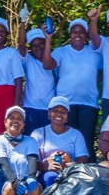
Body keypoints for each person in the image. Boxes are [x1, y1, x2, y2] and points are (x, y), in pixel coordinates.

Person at [43, 18, 102, 157]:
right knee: (67, 143)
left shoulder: (95, 53)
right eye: (74, 31)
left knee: (87, 143)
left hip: (89, 103)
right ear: (69, 34)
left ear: (86, 34)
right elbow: (47, 65)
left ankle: (89, 176)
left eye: (81, 32)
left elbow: (108, 68)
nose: (77, 34)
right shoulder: (61, 51)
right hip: (65, 105)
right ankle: (67, 174)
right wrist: (48, 39)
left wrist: (98, 79)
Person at [0, 106, 42, 195]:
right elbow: (3, 163)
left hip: (26, 178)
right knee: (10, 189)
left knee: (34, 189)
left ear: (24, 125)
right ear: (5, 122)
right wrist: (14, 182)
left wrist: (31, 177)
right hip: (8, 180)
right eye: (12, 118)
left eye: (19, 118)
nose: (15, 121)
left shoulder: (30, 140)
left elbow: (32, 159)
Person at [30, 96, 89, 187]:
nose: (59, 114)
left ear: (67, 116)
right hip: (46, 172)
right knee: (52, 177)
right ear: (49, 113)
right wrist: (48, 167)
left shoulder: (76, 134)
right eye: (55, 111)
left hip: (71, 172)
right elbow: (32, 160)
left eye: (63, 112)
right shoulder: (38, 133)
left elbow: (83, 160)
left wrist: (66, 166)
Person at [17, 12, 56, 134]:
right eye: (34, 46)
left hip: (48, 109)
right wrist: (23, 21)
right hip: (30, 109)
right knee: (31, 140)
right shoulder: (28, 61)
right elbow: (21, 44)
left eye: (40, 44)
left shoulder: (54, 59)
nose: (37, 47)